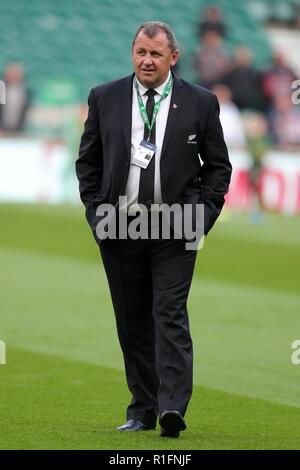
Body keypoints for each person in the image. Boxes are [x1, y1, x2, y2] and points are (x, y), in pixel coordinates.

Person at [76, 21, 231, 438]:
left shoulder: (200, 102)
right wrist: (96, 215)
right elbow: (87, 163)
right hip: (119, 225)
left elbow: (218, 169)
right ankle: (142, 409)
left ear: (173, 58)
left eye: (156, 54)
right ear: (133, 53)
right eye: (141, 52)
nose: (147, 60)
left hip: (176, 226)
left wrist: (201, 217)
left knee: (169, 314)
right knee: (132, 322)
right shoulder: (104, 97)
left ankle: (172, 409)